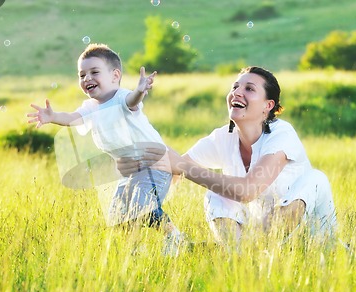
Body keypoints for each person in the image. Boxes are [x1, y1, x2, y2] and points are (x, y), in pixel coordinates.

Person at [118, 66, 337, 247]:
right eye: (235, 87)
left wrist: (183, 167)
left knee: (315, 179)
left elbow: (248, 191)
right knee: (217, 194)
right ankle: (238, 257)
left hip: (309, 240)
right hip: (262, 244)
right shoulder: (224, 137)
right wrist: (138, 177)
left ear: (268, 106)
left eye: (249, 89)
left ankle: (300, 247)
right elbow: (173, 170)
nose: (237, 93)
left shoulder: (282, 134)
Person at [27, 43, 182, 253]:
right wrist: (53, 117)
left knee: (141, 207)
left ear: (115, 75)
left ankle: (173, 235)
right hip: (129, 170)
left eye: (94, 72)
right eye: (82, 75)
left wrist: (140, 90)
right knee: (118, 216)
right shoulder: (90, 107)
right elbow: (73, 118)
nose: (87, 78)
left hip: (154, 164)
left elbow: (132, 101)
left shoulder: (122, 98)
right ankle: (135, 251)